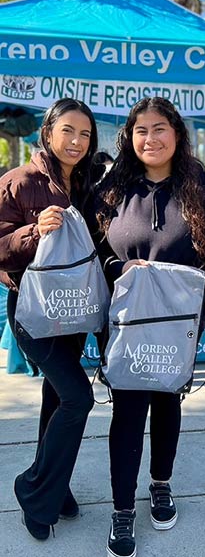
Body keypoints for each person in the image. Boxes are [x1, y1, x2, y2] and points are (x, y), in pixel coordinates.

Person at [93, 96, 205, 557]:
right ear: (130, 138)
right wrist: (117, 270)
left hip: (179, 323)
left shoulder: (204, 188)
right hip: (127, 322)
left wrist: (192, 283)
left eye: (158, 129)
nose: (149, 139)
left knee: (168, 401)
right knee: (127, 410)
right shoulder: (112, 189)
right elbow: (95, 248)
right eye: (140, 131)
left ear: (176, 133)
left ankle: (160, 483)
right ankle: (121, 510)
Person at [0, 98, 99, 541]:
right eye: (68, 131)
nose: (77, 141)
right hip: (32, 311)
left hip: (73, 309)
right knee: (79, 397)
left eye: (85, 134)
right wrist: (34, 231)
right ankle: (34, 488)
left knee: (57, 399)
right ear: (48, 131)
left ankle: (55, 487)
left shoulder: (90, 181)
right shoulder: (18, 182)